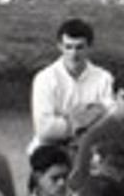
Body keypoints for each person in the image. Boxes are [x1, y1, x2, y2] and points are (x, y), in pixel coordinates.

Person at [30, 18, 114, 153]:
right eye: (68, 47)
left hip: (93, 150)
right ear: (60, 46)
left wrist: (66, 120)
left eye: (79, 47)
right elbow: (45, 129)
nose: (73, 54)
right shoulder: (44, 79)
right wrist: (86, 119)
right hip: (52, 150)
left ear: (89, 47)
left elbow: (111, 122)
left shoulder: (104, 78)